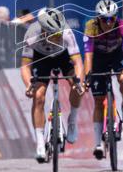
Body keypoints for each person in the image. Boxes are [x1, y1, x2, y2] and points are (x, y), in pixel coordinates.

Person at [20, 8, 86, 163]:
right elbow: (25, 66)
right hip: (41, 58)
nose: (57, 37)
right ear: (43, 30)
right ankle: (40, 142)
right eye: (53, 34)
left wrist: (79, 83)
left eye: (58, 34)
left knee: (76, 86)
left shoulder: (66, 33)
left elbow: (77, 62)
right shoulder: (31, 35)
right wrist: (29, 84)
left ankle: (72, 121)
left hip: (63, 56)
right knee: (38, 96)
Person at [83, 0, 123, 160]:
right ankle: (97, 143)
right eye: (104, 19)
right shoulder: (91, 27)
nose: (108, 22)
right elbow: (88, 55)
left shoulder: (122, 26)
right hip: (98, 58)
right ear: (98, 19)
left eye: (111, 19)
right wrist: (88, 76)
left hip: (116, 55)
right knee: (99, 101)